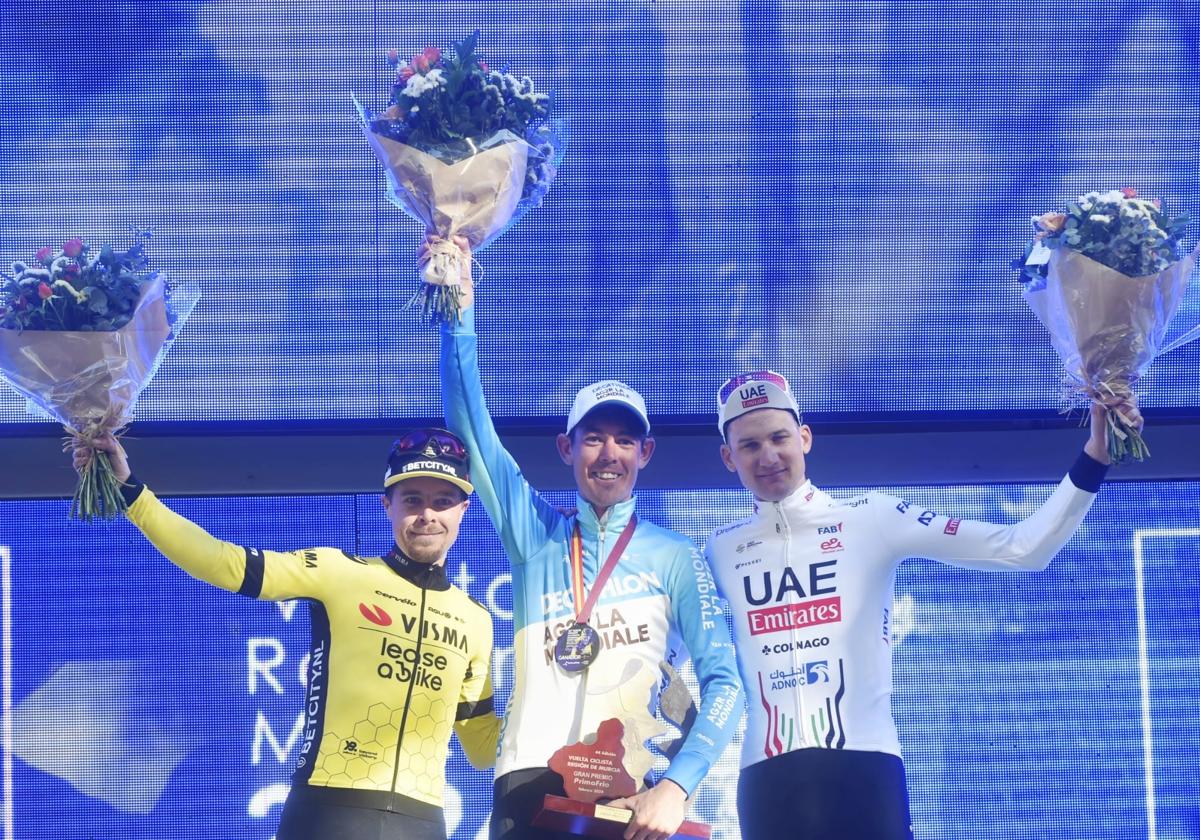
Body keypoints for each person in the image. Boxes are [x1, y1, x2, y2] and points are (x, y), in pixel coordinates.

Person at [705, 370, 1122, 840]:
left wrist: (1095, 457)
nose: (768, 456)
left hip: (866, 770)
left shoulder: (872, 517)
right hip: (766, 781)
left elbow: (1022, 548)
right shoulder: (717, 552)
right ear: (727, 457)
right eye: (749, 445)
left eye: (780, 437)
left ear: (805, 437)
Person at [432, 236, 743, 840]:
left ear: (645, 453)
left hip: (632, 800)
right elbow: (472, 431)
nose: (609, 454)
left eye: (625, 441)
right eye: (593, 438)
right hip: (528, 790)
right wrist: (457, 311)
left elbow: (725, 683)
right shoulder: (537, 537)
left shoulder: (674, 555)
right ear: (566, 449)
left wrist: (677, 787)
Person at [73, 428, 499, 840]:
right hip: (328, 813)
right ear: (387, 504)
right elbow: (223, 562)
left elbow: (482, 749)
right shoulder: (340, 572)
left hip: (423, 823)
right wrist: (131, 492)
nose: (427, 515)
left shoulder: (476, 618)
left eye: (443, 501)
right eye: (413, 499)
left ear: (463, 509)